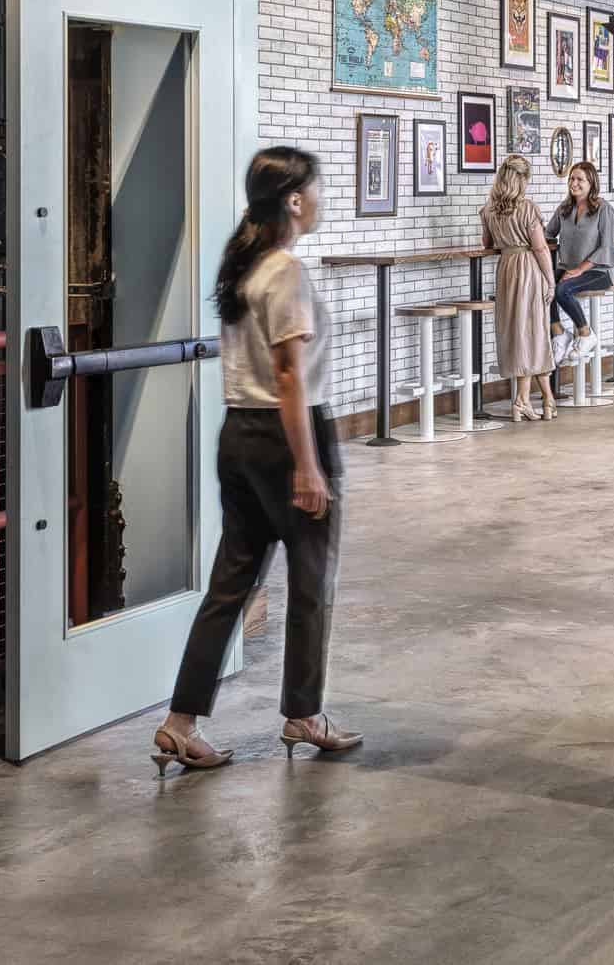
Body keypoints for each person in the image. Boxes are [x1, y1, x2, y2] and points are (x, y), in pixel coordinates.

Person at [152, 146, 361, 774]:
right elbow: (292, 376)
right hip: (286, 437)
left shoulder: (240, 265)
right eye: (316, 189)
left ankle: (179, 723)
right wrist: (307, 466)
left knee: (229, 585)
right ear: (294, 201)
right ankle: (303, 713)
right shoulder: (287, 272)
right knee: (310, 584)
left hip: (238, 435)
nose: (321, 198)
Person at [482, 153, 559, 421]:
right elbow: (540, 247)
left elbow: (487, 244)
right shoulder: (527, 208)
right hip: (528, 268)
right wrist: (550, 280)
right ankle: (523, 400)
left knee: (516, 333)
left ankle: (539, 400)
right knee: (534, 332)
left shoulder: (489, 210)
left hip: (505, 269)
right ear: (521, 179)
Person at [547, 159, 614, 361]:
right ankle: (559, 333)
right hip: (567, 268)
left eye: (580, 179)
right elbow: (548, 233)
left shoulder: (604, 209)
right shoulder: (564, 208)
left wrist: (580, 269)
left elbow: (606, 247)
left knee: (562, 290)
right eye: (571, 179)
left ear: (591, 183)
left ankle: (586, 333)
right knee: (543, 284)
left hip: (598, 272)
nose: (574, 183)